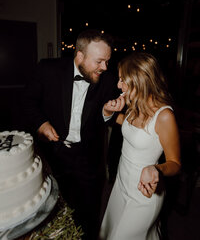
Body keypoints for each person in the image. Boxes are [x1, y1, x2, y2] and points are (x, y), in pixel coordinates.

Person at [23, 29, 120, 240]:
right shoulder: (48, 69)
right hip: (53, 157)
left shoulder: (108, 79)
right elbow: (28, 102)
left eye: (107, 61)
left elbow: (110, 119)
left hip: (89, 161)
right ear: (80, 56)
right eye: (99, 61)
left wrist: (108, 113)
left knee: (89, 217)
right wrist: (42, 124)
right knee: (53, 215)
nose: (105, 67)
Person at [99, 52, 181, 240]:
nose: (118, 85)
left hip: (145, 192)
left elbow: (175, 163)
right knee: (109, 232)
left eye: (122, 80)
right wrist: (107, 111)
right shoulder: (136, 106)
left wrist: (156, 169)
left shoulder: (164, 116)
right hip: (121, 184)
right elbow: (127, 125)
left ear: (139, 80)